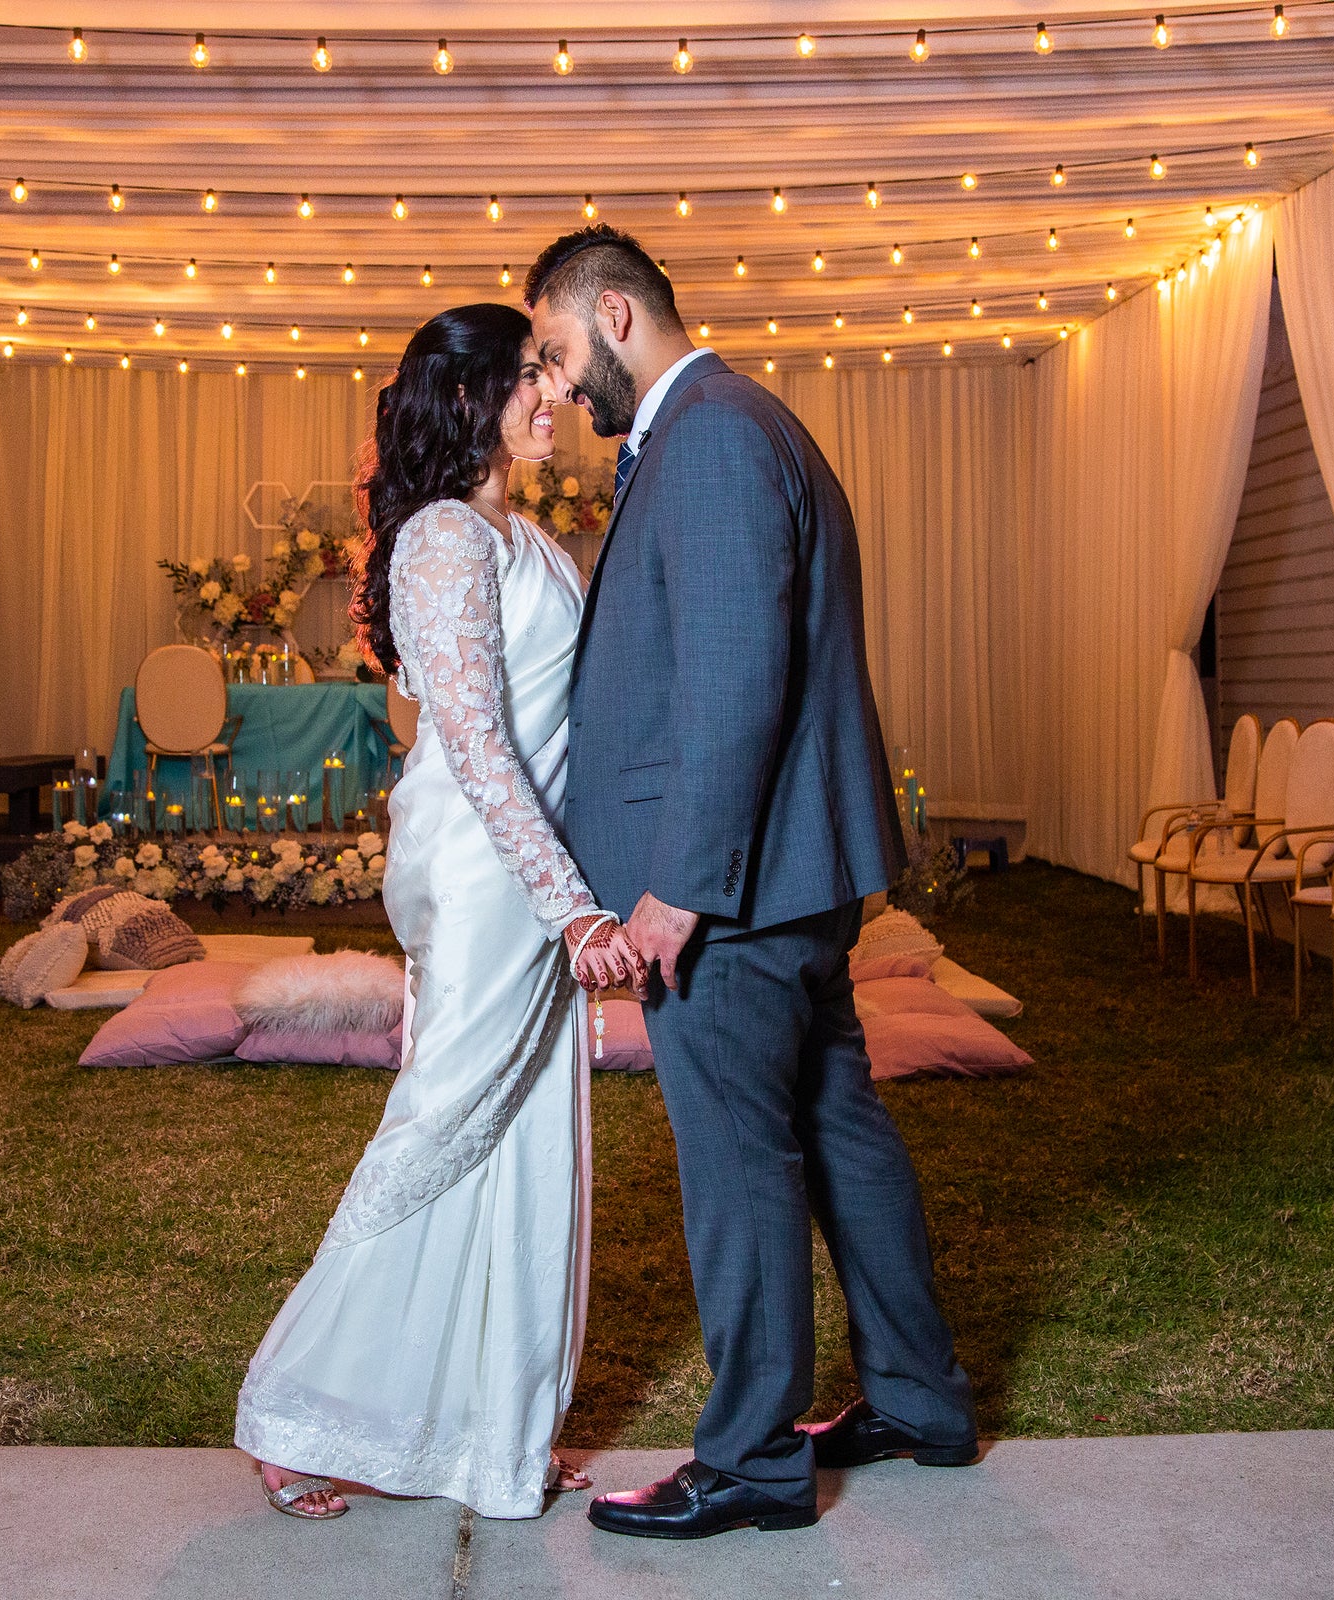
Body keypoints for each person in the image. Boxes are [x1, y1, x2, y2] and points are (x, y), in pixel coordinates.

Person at [525, 225, 978, 1540]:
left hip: (736, 888)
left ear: (615, 316)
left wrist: (678, 889)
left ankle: (754, 1465)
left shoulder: (714, 433)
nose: (552, 387)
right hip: (788, 878)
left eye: (555, 352)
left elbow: (736, 682)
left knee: (742, 1162)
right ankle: (920, 1397)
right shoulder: (724, 425)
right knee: (835, 1131)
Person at [234, 303, 644, 1522]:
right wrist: (570, 909)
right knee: (441, 1128)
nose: (550, 397)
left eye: (546, 375)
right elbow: (470, 742)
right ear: (465, 399)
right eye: (526, 378)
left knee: (529, 1146)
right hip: (479, 877)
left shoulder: (518, 534)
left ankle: (494, 1439)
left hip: (528, 868)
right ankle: (292, 1412)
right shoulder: (440, 545)